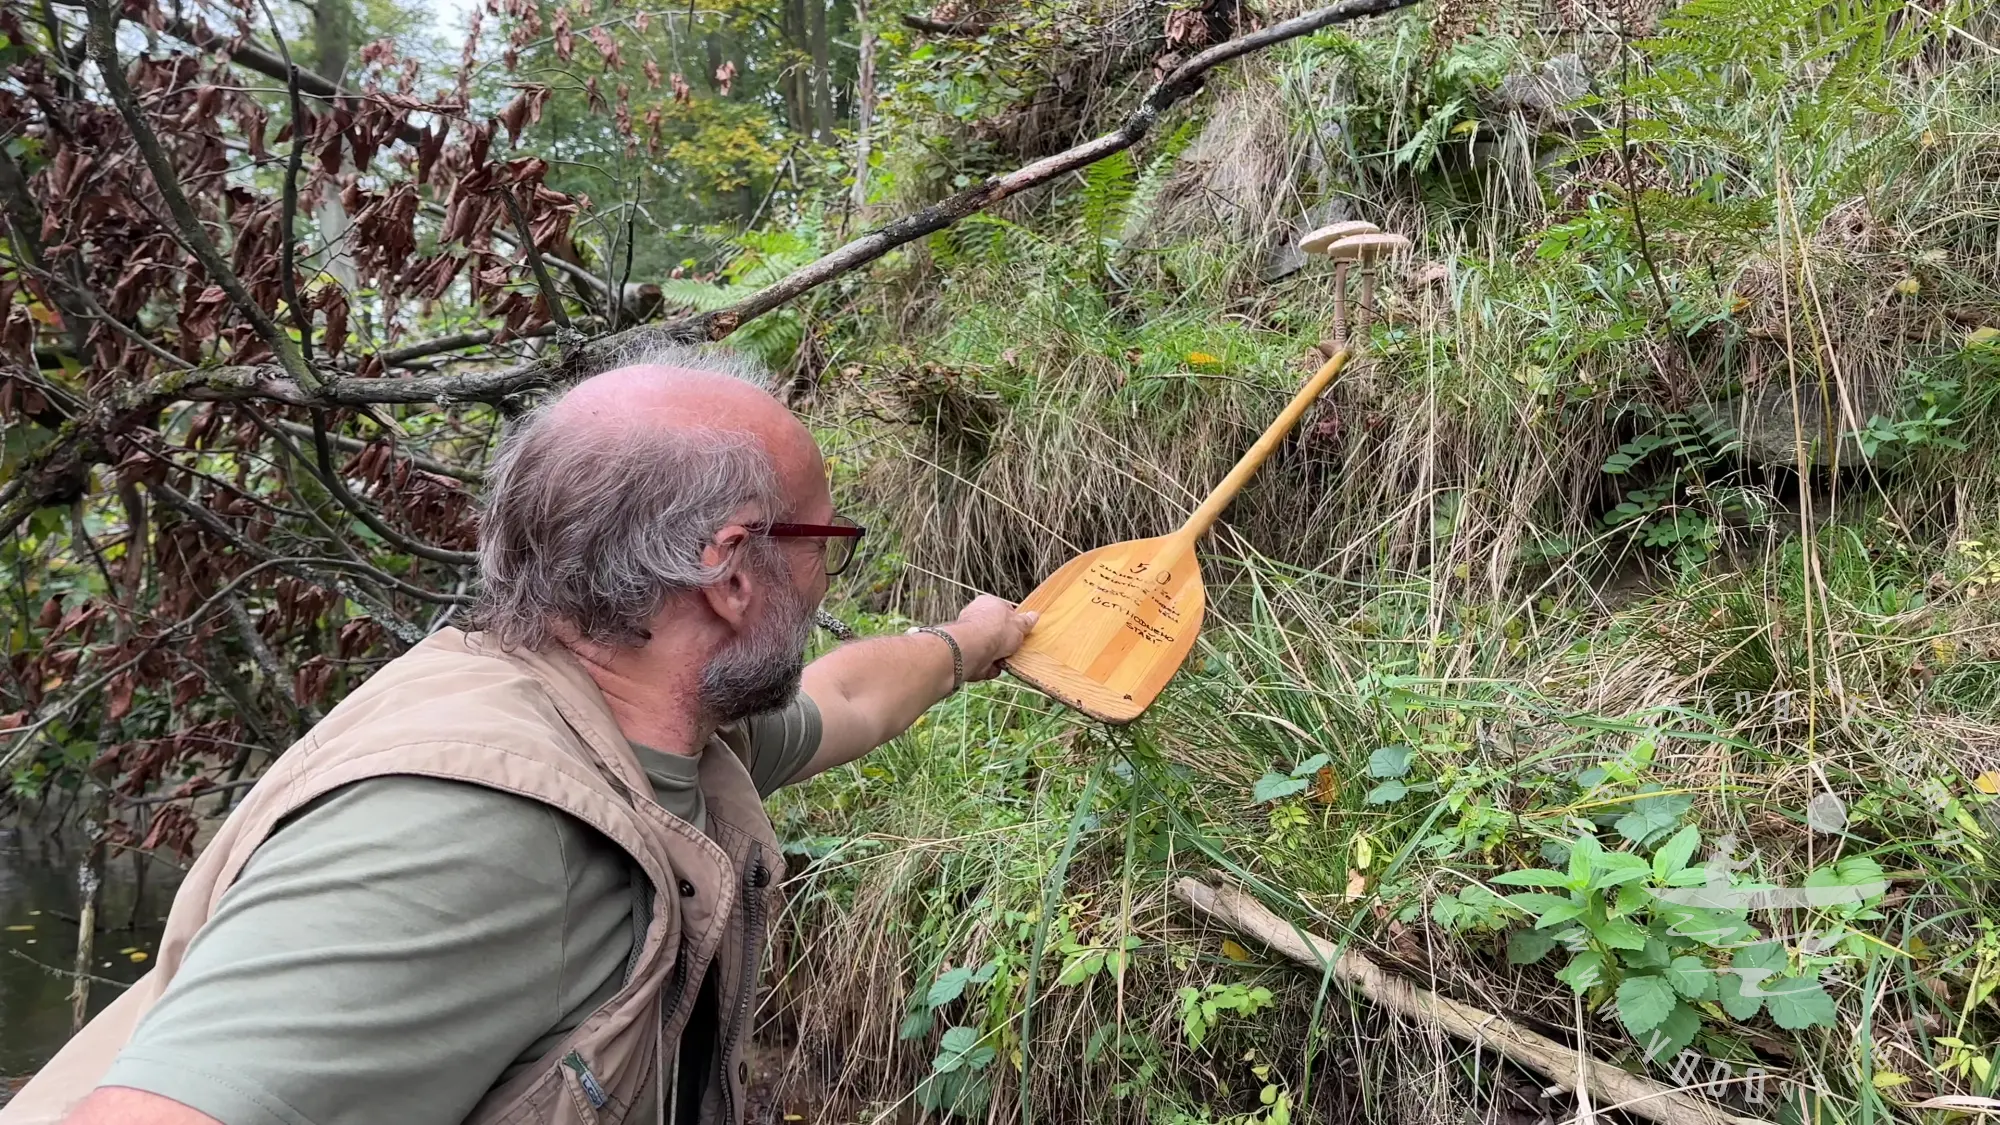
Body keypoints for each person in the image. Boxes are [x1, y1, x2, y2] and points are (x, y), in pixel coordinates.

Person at [5, 345, 1037, 1125]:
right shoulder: (474, 829)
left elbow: (847, 700)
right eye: (824, 542)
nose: (823, 579)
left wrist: (971, 641)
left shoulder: (656, 733)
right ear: (730, 573)